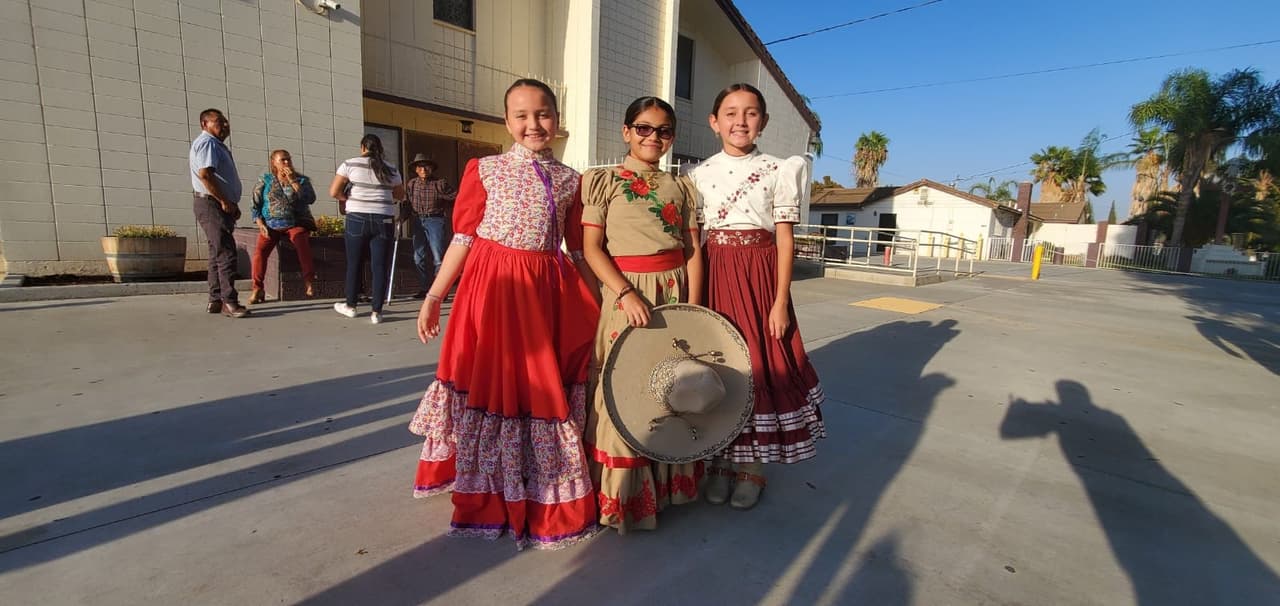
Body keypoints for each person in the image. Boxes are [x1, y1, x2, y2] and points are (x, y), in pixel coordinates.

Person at [407, 78, 601, 551]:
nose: (534, 124)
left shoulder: (571, 180)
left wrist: (602, 300)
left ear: (557, 118)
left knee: (536, 386)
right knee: (491, 382)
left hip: (541, 293)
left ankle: (537, 478)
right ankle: (485, 482)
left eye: (543, 114)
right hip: (491, 289)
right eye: (522, 115)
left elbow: (576, 250)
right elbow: (463, 239)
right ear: (507, 121)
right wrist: (435, 295)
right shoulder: (485, 169)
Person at [686, 83, 826, 510]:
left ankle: (754, 469)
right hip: (716, 273)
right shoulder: (697, 175)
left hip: (760, 275)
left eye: (750, 113)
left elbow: (785, 240)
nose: (740, 121)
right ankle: (722, 460)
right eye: (730, 113)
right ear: (714, 122)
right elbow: (694, 240)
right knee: (721, 364)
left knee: (760, 365)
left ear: (762, 122)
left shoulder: (779, 169)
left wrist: (780, 300)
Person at [579, 96, 704, 532]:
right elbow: (591, 249)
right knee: (622, 387)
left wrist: (694, 308)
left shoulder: (682, 187)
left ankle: (666, 487)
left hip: (672, 293)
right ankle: (623, 499)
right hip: (625, 294)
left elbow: (692, 252)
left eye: (664, 130)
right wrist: (626, 292)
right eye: (644, 128)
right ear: (626, 131)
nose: (654, 137)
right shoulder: (602, 181)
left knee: (667, 385)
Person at [329, 134, 404, 324]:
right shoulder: (391, 168)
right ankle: (376, 312)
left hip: (357, 217)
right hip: (383, 219)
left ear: (363, 147)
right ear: (379, 148)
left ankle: (351, 306)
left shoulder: (350, 164)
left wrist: (349, 199)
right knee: (379, 266)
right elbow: (400, 194)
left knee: (354, 263)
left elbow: (334, 192)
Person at [190, 108, 249, 318]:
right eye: (218, 122)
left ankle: (215, 300)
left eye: (225, 121)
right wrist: (224, 200)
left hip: (214, 204)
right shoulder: (208, 143)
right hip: (212, 204)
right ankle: (229, 301)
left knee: (216, 252)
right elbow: (205, 174)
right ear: (204, 124)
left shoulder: (212, 144)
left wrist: (231, 202)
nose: (224, 125)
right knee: (226, 252)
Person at [249, 149, 317, 303]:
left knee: (300, 239)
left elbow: (310, 199)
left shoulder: (301, 180)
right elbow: (255, 204)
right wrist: (260, 223)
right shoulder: (265, 179)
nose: (287, 163)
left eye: (288, 159)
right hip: (271, 223)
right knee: (260, 251)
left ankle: (309, 281)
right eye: (283, 160)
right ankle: (257, 288)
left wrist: (293, 182)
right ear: (274, 162)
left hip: (295, 222)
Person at [405, 153, 457, 298]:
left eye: (426, 166)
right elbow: (408, 204)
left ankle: (440, 291)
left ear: (432, 168)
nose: (423, 169)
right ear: (416, 169)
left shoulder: (439, 183)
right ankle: (424, 288)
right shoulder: (412, 184)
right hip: (418, 221)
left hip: (435, 220)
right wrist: (401, 217)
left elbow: (456, 197)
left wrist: (445, 203)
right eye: (420, 167)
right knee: (418, 257)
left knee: (438, 257)